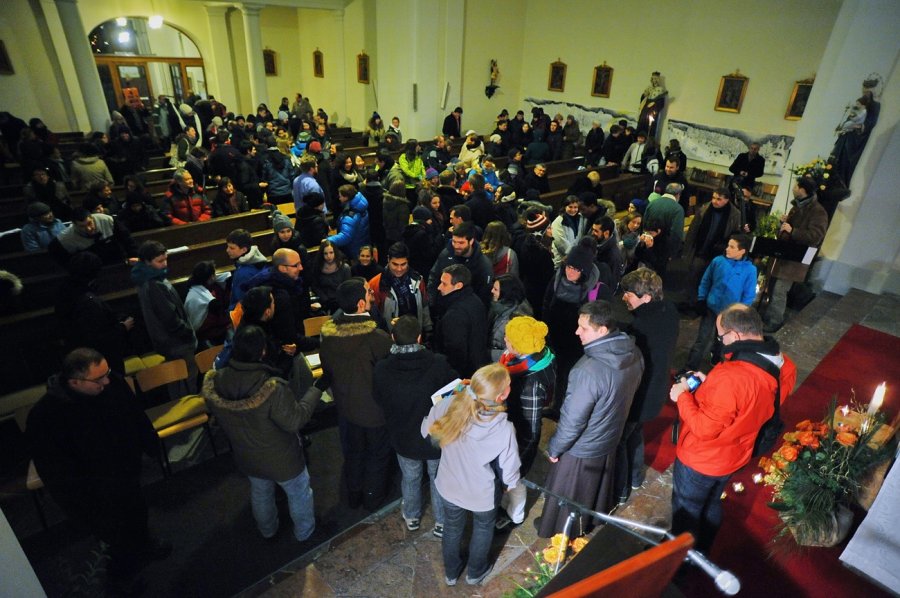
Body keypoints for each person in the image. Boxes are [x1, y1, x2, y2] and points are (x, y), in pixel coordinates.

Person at [26, 348, 169, 591]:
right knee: (113, 537)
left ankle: (145, 545)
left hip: (126, 472)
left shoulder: (112, 383)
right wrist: (78, 503)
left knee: (137, 513)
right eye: (99, 379)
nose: (107, 381)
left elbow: (135, 414)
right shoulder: (46, 415)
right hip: (95, 490)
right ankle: (123, 579)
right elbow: (54, 469)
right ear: (74, 381)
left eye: (107, 373)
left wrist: (150, 444)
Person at [669, 304, 796, 553]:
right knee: (712, 502)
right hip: (737, 453)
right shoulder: (786, 365)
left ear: (736, 335)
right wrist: (710, 387)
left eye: (721, 336)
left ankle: (679, 560)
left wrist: (682, 395)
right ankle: (703, 549)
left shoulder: (731, 376)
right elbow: (755, 403)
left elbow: (704, 428)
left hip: (704, 458)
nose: (721, 342)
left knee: (687, 511)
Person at [202, 325, 324, 542]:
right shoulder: (271, 387)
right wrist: (316, 389)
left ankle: (267, 530)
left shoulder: (217, 381)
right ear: (263, 351)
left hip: (247, 455)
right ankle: (305, 533)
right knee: (299, 492)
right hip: (282, 458)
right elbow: (295, 420)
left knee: (260, 492)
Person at [538, 301, 644, 538]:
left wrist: (555, 448)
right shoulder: (634, 352)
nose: (577, 332)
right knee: (593, 491)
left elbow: (572, 421)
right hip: (609, 439)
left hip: (582, 449)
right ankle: (588, 523)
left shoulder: (587, 370)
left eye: (584, 328)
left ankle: (561, 533)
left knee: (567, 498)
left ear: (602, 330)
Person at [422, 363, 520, 587]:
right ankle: (475, 572)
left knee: (452, 527)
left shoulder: (449, 405)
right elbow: (509, 468)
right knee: (483, 528)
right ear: (501, 395)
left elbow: (428, 431)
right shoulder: (504, 429)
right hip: (481, 493)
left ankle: (451, 573)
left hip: (448, 484)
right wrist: (509, 485)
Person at [373, 315, 457, 536]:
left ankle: (411, 516)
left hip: (403, 436)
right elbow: (455, 393)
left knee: (410, 478)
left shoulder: (382, 368)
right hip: (435, 436)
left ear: (393, 338)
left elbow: (378, 399)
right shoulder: (438, 363)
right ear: (419, 338)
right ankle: (441, 522)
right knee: (438, 478)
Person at [319, 279, 393, 510]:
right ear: (361, 304)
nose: (372, 295)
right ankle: (372, 498)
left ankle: (353, 495)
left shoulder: (328, 337)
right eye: (369, 292)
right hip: (375, 412)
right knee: (377, 455)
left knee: (353, 453)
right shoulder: (376, 338)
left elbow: (328, 372)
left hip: (345, 409)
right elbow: (388, 375)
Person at [614, 269, 680, 504]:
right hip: (656, 391)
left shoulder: (641, 326)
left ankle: (620, 490)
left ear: (647, 298)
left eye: (629, 294)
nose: (624, 297)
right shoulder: (668, 311)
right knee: (635, 433)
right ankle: (635, 477)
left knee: (620, 441)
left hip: (640, 394)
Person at [496, 316, 556, 529]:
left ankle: (515, 515)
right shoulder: (530, 358)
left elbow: (530, 429)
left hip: (519, 440)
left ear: (521, 346)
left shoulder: (531, 384)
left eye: (509, 339)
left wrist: (518, 460)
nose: (505, 339)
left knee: (515, 483)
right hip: (512, 429)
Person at [131, 241, 199, 396]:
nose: (165, 264)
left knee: (177, 379)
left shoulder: (146, 277)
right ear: (147, 262)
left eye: (166, 259)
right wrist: (188, 333)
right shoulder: (154, 284)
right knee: (185, 380)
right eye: (160, 261)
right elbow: (169, 318)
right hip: (177, 342)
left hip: (169, 341)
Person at [542, 239, 603, 413]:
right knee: (558, 373)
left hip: (578, 342)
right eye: (569, 266)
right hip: (555, 335)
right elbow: (546, 302)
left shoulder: (594, 288)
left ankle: (566, 409)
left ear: (584, 271)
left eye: (576, 269)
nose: (570, 272)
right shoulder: (557, 279)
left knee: (571, 375)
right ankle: (557, 405)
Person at [762, 177, 828, 333]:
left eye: (796, 186)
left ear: (803, 190)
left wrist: (793, 231)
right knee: (771, 287)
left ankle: (775, 321)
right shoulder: (797, 206)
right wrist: (784, 224)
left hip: (795, 258)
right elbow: (788, 229)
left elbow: (816, 236)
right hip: (783, 254)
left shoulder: (818, 212)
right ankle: (766, 315)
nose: (793, 188)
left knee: (779, 290)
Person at [55, 253, 134, 375]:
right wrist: (123, 327)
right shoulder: (87, 301)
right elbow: (99, 337)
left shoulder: (67, 291)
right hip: (99, 359)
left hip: (82, 356)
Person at [434, 264, 490, 378]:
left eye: (444, 284)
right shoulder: (475, 300)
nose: (439, 287)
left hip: (463, 374)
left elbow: (456, 353)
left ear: (458, 285)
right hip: (479, 366)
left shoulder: (455, 314)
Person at [368, 242, 431, 334]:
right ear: (388, 260)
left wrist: (428, 328)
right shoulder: (376, 284)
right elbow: (372, 314)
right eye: (395, 264)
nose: (399, 269)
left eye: (403, 264)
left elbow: (424, 305)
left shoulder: (418, 279)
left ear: (408, 262)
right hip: (388, 337)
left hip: (415, 334)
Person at [428, 221, 494, 308]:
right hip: (442, 307)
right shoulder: (446, 254)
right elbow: (434, 277)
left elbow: (484, 295)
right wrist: (432, 301)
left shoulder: (483, 265)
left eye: (461, 243)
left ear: (471, 241)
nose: (456, 246)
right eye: (454, 241)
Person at [49, 207, 137, 267]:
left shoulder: (106, 220)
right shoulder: (66, 237)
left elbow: (127, 239)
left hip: (117, 259)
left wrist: (133, 255)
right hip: (93, 268)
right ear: (74, 225)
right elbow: (54, 251)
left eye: (89, 223)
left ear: (92, 217)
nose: (88, 228)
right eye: (82, 226)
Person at [184, 260, 230, 348]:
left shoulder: (214, 287)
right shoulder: (195, 298)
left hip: (219, 330)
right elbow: (202, 324)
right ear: (211, 277)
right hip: (208, 336)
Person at [488, 274, 532, 361]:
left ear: (506, 293)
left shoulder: (518, 319)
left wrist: (486, 354)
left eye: (496, 289)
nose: (492, 291)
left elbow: (514, 352)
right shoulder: (498, 307)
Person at [225, 228, 269, 310]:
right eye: (227, 247)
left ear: (244, 250)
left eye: (232, 248)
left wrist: (229, 311)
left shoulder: (243, 273)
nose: (227, 250)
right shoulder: (258, 260)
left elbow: (241, 302)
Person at [326, 184, 370, 260]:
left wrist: (328, 240)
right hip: (361, 243)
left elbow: (345, 236)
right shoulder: (361, 206)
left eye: (340, 196)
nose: (339, 198)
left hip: (353, 249)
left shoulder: (351, 215)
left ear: (346, 197)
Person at [310, 240, 351, 314]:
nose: (328, 256)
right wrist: (325, 299)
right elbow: (315, 286)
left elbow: (347, 287)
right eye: (325, 253)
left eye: (331, 252)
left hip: (342, 303)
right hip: (324, 302)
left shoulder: (345, 268)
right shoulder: (317, 268)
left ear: (335, 252)